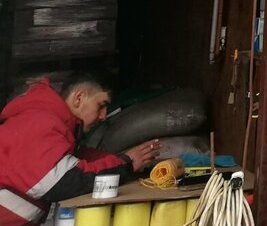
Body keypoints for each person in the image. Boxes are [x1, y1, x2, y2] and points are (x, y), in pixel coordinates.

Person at [0, 73, 162, 225]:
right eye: (101, 105)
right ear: (79, 98)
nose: (103, 116)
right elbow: (64, 181)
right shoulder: (38, 123)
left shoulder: (53, 126)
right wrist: (126, 164)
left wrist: (124, 161)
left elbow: (80, 159)